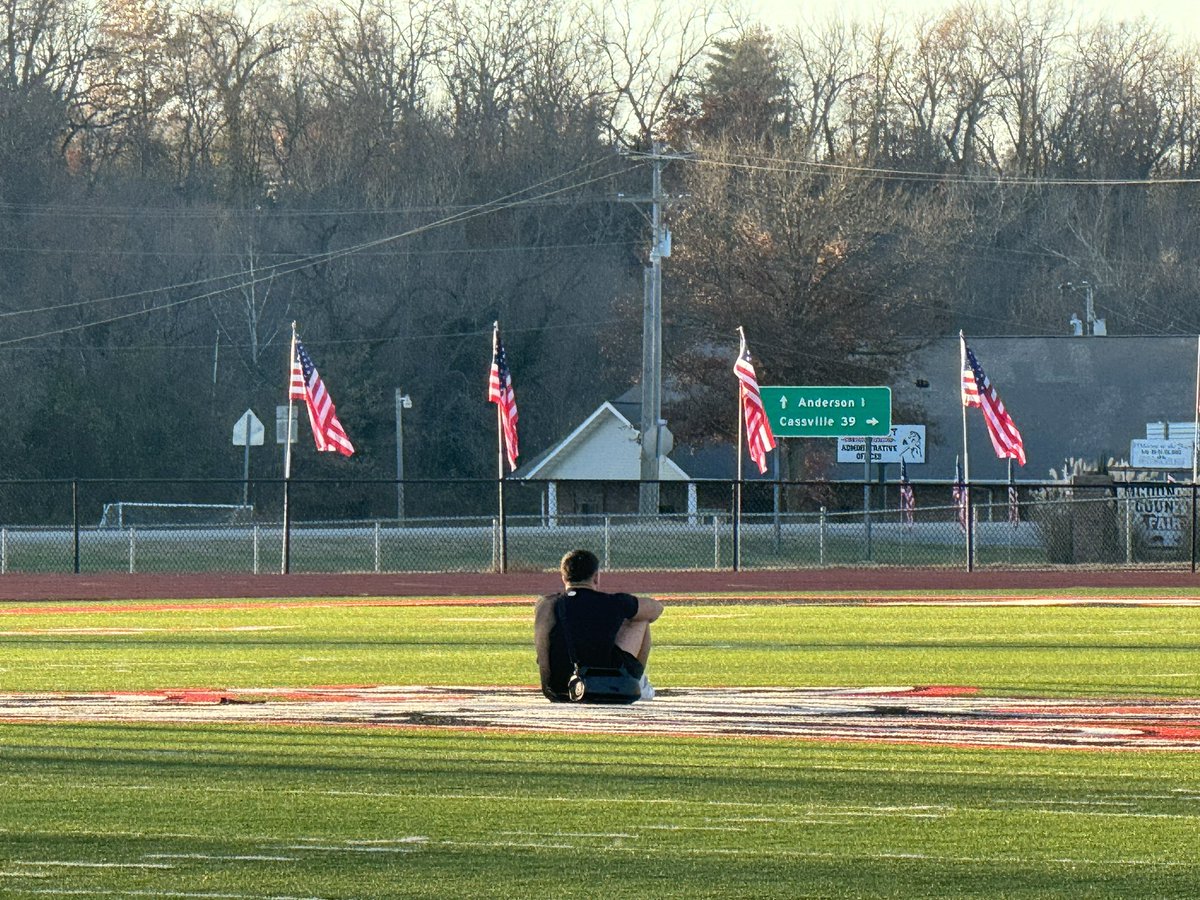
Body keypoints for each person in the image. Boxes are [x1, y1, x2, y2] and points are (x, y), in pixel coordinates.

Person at [534, 549, 663, 702]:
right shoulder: (613, 602)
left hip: (559, 687)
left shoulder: (545, 605)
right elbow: (656, 609)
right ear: (596, 577)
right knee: (641, 618)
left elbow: (546, 649)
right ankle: (638, 683)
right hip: (604, 685)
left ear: (564, 578)